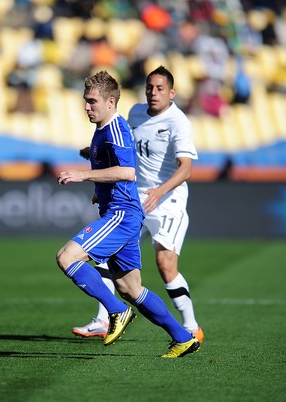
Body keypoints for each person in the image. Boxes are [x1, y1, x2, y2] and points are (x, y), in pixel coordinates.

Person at [56, 70, 200, 358]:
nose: (87, 107)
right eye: (86, 101)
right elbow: (118, 170)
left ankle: (117, 313)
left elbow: (128, 172)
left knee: (67, 257)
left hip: (122, 215)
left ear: (111, 102)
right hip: (121, 211)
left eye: (92, 102)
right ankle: (183, 337)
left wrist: (84, 176)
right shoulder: (104, 128)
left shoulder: (116, 129)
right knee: (130, 288)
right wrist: (100, 189)